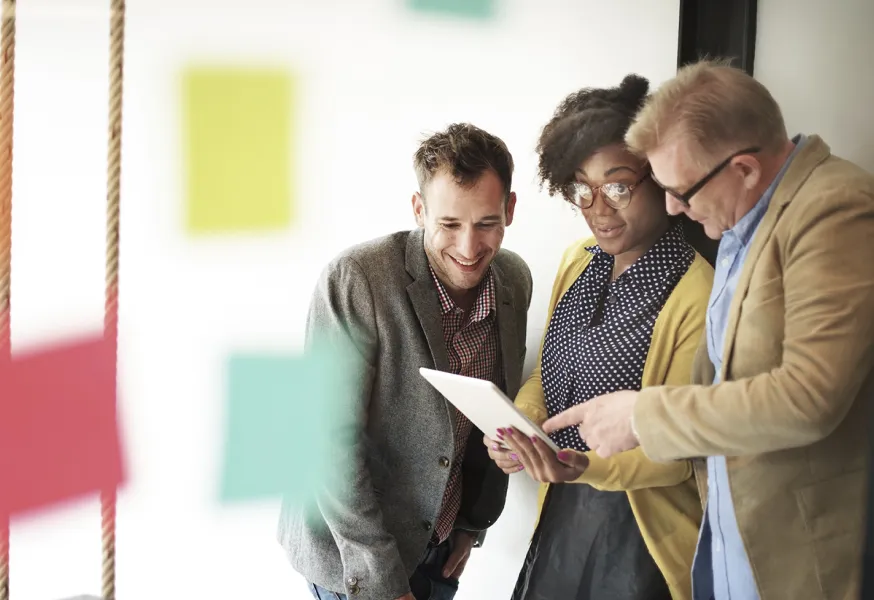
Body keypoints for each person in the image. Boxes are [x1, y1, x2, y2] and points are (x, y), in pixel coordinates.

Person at [543, 59, 874, 600]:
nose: (674, 205)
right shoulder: (740, 222)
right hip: (724, 546)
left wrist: (642, 415)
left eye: (682, 191)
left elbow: (810, 396)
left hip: (792, 556)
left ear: (743, 168)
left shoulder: (834, 208)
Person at [278, 122, 533, 600]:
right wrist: (383, 582)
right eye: (450, 225)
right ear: (419, 210)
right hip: (352, 557)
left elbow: (491, 410)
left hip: (441, 548)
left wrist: (472, 526)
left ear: (510, 209)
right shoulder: (357, 278)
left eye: (486, 223)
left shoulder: (514, 281)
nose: (468, 248)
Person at [484, 74, 715, 600]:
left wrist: (583, 465)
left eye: (617, 186)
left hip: (640, 536)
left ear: (659, 178)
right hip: (563, 509)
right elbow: (550, 371)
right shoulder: (577, 260)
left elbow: (679, 452)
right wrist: (522, 425)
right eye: (581, 189)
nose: (598, 208)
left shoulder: (695, 292)